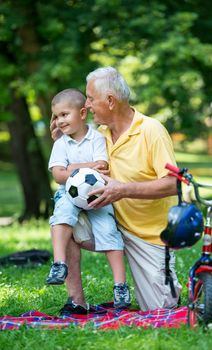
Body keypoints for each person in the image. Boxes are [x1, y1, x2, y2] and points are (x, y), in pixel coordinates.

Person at [50, 68, 181, 316]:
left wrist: (123, 190)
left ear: (110, 101)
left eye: (90, 98)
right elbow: (66, 169)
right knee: (63, 215)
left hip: (148, 236)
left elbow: (173, 184)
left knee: (162, 309)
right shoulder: (96, 136)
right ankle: (76, 302)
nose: (86, 104)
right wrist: (62, 138)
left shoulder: (151, 130)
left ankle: (166, 285)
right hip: (107, 221)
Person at [47, 88, 131, 311]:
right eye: (56, 116)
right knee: (61, 215)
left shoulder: (97, 138)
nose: (60, 121)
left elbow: (102, 168)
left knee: (109, 232)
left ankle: (120, 286)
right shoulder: (60, 144)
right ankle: (58, 263)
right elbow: (58, 176)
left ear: (83, 113)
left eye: (65, 114)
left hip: (97, 195)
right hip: (69, 193)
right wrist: (83, 167)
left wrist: (71, 168)